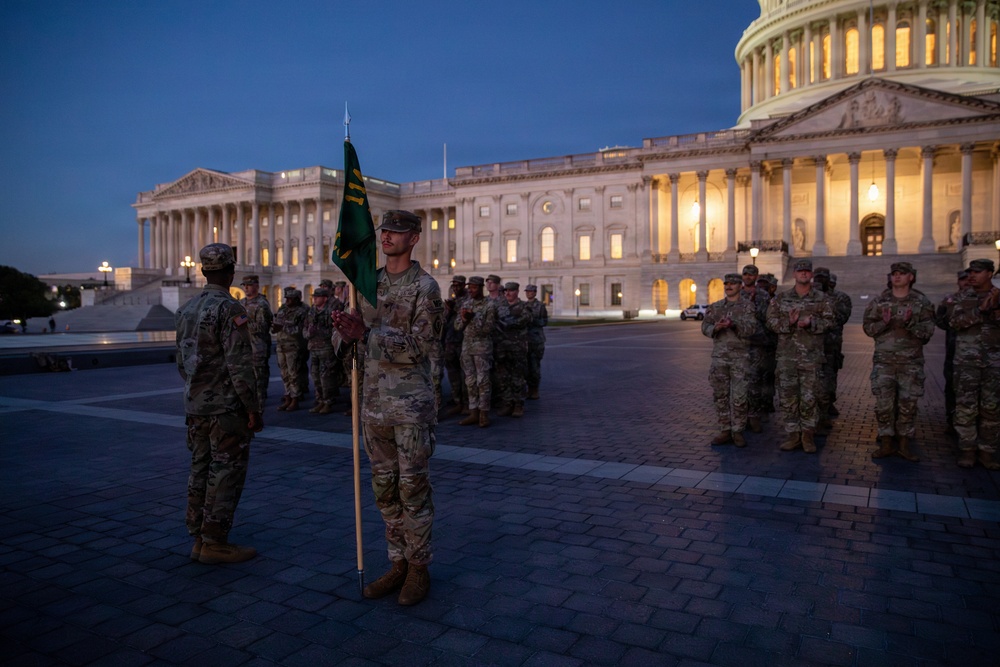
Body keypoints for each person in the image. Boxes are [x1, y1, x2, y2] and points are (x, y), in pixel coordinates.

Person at [331, 209, 443, 606]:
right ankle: (397, 561)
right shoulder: (365, 283)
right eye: (385, 231)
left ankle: (419, 568)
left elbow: (423, 348)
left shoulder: (425, 288)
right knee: (384, 489)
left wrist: (368, 334)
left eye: (397, 232)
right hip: (373, 404)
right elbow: (344, 342)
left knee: (413, 488)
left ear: (414, 238)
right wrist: (344, 335)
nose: (387, 237)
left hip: (410, 406)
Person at [175, 243, 262, 564]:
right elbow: (240, 365)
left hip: (195, 406)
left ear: (202, 270)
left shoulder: (186, 310)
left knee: (200, 467)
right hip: (226, 408)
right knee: (227, 471)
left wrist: (197, 388)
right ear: (231, 272)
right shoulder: (230, 309)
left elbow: (182, 362)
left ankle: (198, 536)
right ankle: (215, 541)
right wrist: (252, 408)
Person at [862, 262, 935, 461]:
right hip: (884, 363)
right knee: (884, 405)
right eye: (894, 274)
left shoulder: (921, 302)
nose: (897, 277)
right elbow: (868, 328)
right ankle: (886, 443)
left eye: (902, 274)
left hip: (910, 364)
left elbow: (927, 333)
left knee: (907, 405)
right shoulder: (880, 301)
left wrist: (909, 323)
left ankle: (904, 444)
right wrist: (884, 323)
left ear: (911, 277)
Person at [765, 259, 835, 453]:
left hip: (811, 358)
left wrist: (811, 324)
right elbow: (770, 322)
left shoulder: (822, 299)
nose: (803, 273)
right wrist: (789, 322)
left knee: (810, 397)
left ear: (811, 275)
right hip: (787, 357)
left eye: (807, 271)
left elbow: (830, 322)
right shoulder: (781, 299)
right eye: (800, 271)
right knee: (788, 397)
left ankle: (807, 435)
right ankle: (793, 434)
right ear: (794, 274)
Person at [948, 258, 1000, 470]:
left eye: (977, 272)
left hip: (994, 361)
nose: (972, 276)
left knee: (992, 408)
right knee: (965, 407)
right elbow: (954, 323)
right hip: (967, 362)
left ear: (990, 273)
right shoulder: (962, 297)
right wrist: (981, 309)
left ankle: (987, 451)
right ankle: (967, 449)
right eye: (971, 272)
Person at [702, 273, 759, 447]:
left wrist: (733, 325)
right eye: (726, 283)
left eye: (733, 283)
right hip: (720, 359)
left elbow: (751, 329)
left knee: (740, 397)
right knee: (720, 395)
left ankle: (738, 430)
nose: (729, 286)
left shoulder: (747, 307)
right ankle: (725, 429)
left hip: (740, 359)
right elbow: (705, 326)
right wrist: (716, 327)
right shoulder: (716, 306)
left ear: (740, 286)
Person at [812, 267, 852, 427]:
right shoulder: (809, 296)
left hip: (831, 346)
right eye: (817, 278)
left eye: (823, 278)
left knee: (829, 378)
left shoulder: (840, 298)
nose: (820, 281)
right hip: (812, 347)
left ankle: (827, 406)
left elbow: (840, 318)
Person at [455, 276, 497, 427]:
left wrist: (474, 318)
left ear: (480, 288)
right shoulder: (466, 304)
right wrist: (465, 319)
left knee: (483, 381)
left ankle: (484, 413)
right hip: (467, 348)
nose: (471, 290)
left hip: (482, 348)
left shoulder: (489, 305)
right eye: (470, 288)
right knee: (470, 381)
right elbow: (457, 326)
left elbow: (488, 329)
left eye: (474, 288)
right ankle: (473, 412)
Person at [936, 269, 971, 435]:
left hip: (987, 357)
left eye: (969, 278)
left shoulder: (991, 299)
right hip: (955, 353)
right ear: (958, 281)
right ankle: (951, 420)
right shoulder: (949, 301)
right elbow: (940, 322)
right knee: (952, 388)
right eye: (963, 279)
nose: (967, 282)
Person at [739, 264, 770, 432]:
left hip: (757, 342)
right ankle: (741, 416)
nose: (748, 277)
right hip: (740, 343)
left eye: (751, 274)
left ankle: (754, 415)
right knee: (740, 381)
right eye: (745, 274)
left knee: (755, 380)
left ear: (757, 276)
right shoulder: (737, 293)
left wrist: (751, 306)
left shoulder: (763, 295)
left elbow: (765, 316)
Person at [494, 281, 531, 417]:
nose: (508, 293)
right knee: (503, 377)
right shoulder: (500, 307)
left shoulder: (523, 307)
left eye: (511, 291)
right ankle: (507, 403)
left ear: (517, 291)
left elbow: (523, 320)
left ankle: (518, 405)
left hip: (517, 348)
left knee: (518, 378)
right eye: (506, 291)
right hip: (502, 347)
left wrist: (505, 323)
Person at [272, 287, 308, 411]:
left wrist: (282, 328)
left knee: (293, 373)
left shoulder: (302, 311)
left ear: (296, 299)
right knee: (284, 373)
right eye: (286, 298)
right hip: (281, 344)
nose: (287, 301)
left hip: (293, 345)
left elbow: (301, 329)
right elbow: (277, 322)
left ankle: (295, 398)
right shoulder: (283, 309)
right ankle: (287, 396)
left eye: (290, 299)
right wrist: (275, 328)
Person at [240, 275, 273, 403]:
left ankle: (259, 401)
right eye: (244, 285)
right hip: (244, 346)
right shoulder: (242, 303)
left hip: (258, 346)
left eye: (249, 285)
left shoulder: (262, 304)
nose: (246, 288)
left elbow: (262, 326)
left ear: (256, 286)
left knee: (259, 374)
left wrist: (242, 324)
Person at [305, 287, 338, 414]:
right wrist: (307, 334)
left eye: (317, 297)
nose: (314, 299)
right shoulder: (311, 311)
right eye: (314, 297)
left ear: (324, 298)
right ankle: (320, 400)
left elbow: (335, 330)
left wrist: (318, 331)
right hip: (313, 347)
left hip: (326, 348)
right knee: (315, 376)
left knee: (326, 377)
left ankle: (328, 401)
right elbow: (306, 326)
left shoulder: (330, 312)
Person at [442, 276, 468, 416]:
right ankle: (457, 401)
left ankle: (467, 403)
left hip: (463, 341)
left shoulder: (468, 301)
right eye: (454, 286)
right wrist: (448, 310)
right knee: (453, 374)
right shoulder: (452, 301)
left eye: (458, 286)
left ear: (464, 285)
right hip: (450, 341)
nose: (456, 288)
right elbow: (444, 322)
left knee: (465, 375)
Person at [523, 284, 548, 400]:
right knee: (526, 367)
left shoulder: (540, 306)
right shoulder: (523, 306)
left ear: (535, 292)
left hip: (536, 340)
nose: (529, 293)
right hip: (526, 340)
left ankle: (535, 390)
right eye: (527, 291)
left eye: (531, 291)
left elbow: (544, 321)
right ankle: (529, 389)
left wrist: (533, 320)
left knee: (535, 367)